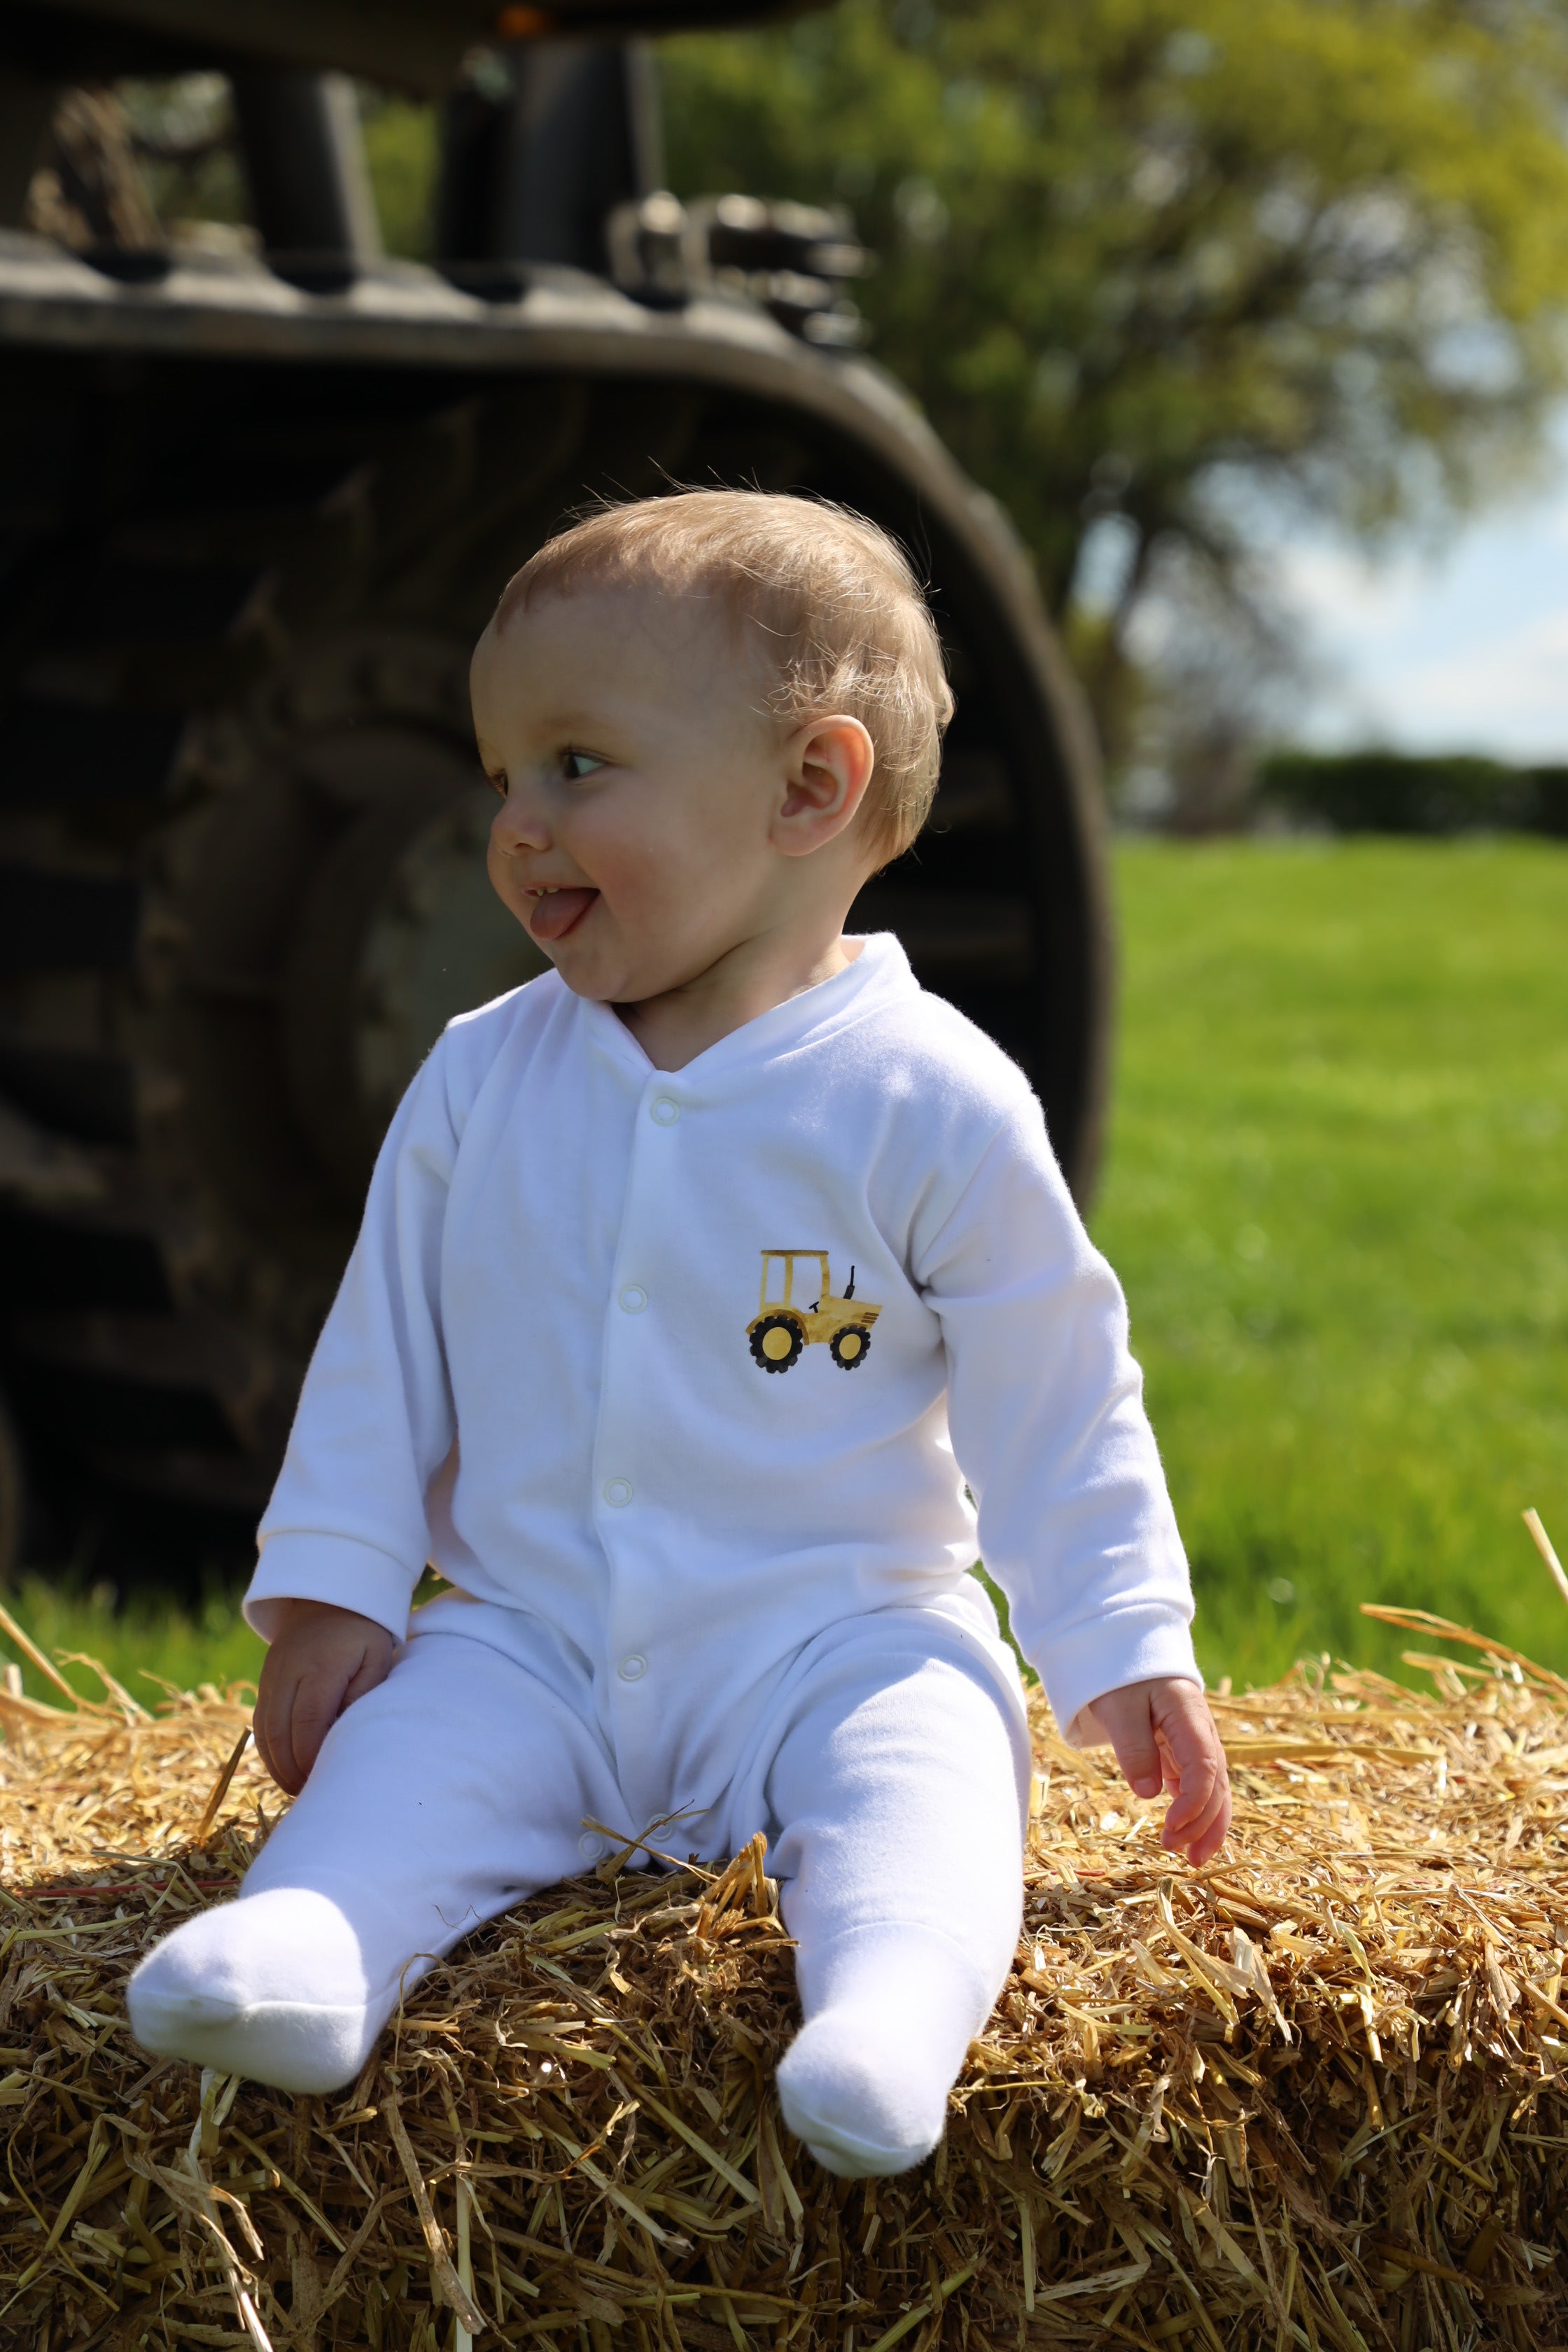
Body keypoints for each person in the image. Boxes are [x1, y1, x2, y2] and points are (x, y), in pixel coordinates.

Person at [127, 490, 1231, 2180]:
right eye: (500, 776)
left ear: (810, 788)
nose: (516, 825)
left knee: (930, 1764)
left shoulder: (926, 1097)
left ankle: (887, 2011)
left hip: (833, 1636)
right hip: (534, 1637)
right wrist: (342, 1589)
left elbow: (1056, 1387)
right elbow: (380, 1351)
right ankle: (312, 1949)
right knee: (406, 1761)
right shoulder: (480, 1077)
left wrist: (1119, 1637)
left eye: (577, 767)